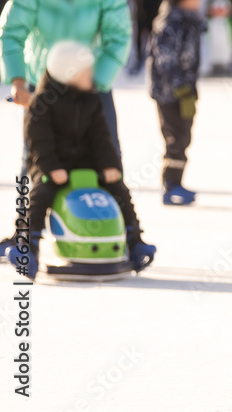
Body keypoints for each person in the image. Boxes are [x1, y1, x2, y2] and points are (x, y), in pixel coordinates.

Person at [5, 41, 155, 279]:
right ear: (70, 74)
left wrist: (109, 165)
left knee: (119, 189)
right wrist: (52, 168)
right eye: (86, 71)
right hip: (52, 166)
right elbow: (39, 142)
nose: (91, 75)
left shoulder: (91, 99)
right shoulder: (41, 104)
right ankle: (28, 247)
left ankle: (135, 241)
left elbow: (101, 137)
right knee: (41, 194)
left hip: (86, 165)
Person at [0, 0, 132, 165]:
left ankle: (112, 204)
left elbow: (119, 35)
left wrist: (98, 80)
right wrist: (18, 81)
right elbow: (11, 31)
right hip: (43, 83)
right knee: (36, 156)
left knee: (108, 154)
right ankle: (26, 206)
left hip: (90, 82)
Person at [148, 0, 206, 206]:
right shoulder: (169, 24)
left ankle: (177, 182)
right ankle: (170, 184)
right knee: (175, 137)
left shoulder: (190, 21)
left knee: (184, 136)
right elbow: (165, 61)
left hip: (185, 91)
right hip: (169, 93)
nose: (199, 0)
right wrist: (180, 87)